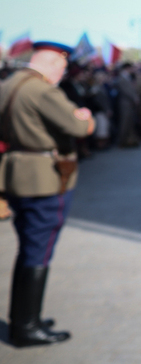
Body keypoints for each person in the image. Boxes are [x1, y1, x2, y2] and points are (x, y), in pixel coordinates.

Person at [0, 41, 95, 347]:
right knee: (38, 250)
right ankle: (26, 327)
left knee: (29, 247)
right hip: (43, 178)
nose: (62, 74)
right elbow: (78, 127)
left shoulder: (8, 84)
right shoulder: (42, 91)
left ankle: (25, 317)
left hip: (17, 172)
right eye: (62, 68)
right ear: (53, 63)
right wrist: (85, 116)